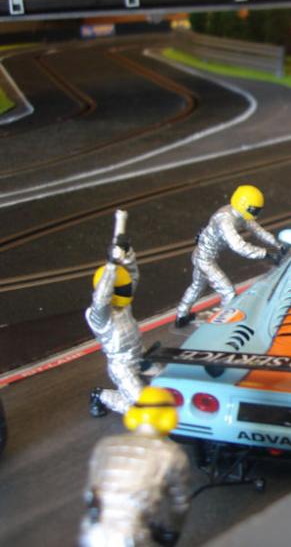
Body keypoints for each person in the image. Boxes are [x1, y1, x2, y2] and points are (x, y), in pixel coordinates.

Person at [79, 387, 191, 547]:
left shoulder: (105, 445)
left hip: (93, 533)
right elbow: (180, 504)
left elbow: (90, 493)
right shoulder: (171, 454)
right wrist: (171, 532)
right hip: (131, 537)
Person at [175, 185, 287, 327]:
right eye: (254, 210)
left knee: (196, 286)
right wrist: (266, 254)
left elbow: (257, 230)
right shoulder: (225, 220)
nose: (256, 214)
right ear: (245, 205)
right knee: (228, 293)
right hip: (204, 259)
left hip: (204, 256)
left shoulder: (240, 213)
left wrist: (278, 244)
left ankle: (181, 315)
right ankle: (220, 328)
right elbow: (238, 246)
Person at [87, 211, 144, 418]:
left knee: (169, 388)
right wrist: (111, 265)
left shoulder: (123, 304)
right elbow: (101, 297)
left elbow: (133, 274)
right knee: (144, 408)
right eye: (122, 289)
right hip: (122, 367)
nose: (129, 291)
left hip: (141, 354)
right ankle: (101, 395)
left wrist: (127, 252)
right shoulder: (99, 317)